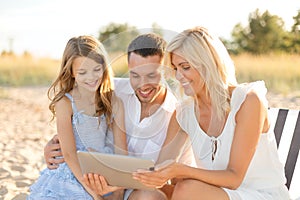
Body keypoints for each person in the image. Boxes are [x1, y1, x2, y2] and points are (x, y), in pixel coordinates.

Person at [132, 26, 290, 200]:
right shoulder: (184, 113)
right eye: (175, 68)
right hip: (213, 194)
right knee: (146, 195)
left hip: (260, 195)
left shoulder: (248, 101)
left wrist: (182, 170)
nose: (178, 76)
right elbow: (161, 168)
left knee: (186, 190)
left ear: (208, 63)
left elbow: (234, 178)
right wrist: (119, 181)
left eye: (185, 67)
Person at [43, 33, 195, 200]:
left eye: (152, 75)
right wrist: (53, 147)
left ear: (167, 71)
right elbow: (78, 123)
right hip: (93, 177)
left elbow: (173, 180)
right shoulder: (108, 90)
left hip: (134, 189)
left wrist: (118, 187)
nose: (143, 84)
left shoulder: (178, 115)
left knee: (149, 197)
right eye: (135, 75)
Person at [28, 35, 127, 200]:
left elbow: (121, 150)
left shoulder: (114, 101)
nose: (91, 77)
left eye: (97, 70)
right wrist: (95, 195)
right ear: (72, 73)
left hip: (103, 169)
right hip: (75, 172)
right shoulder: (65, 103)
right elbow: (69, 154)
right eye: (82, 72)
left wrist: (118, 192)